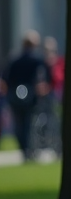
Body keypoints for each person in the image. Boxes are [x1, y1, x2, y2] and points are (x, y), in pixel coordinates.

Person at [1, 32, 50, 162]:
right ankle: (27, 148)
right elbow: (45, 77)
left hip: (15, 95)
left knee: (18, 123)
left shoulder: (14, 60)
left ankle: (23, 147)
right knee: (28, 122)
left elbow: (5, 78)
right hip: (31, 94)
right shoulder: (37, 60)